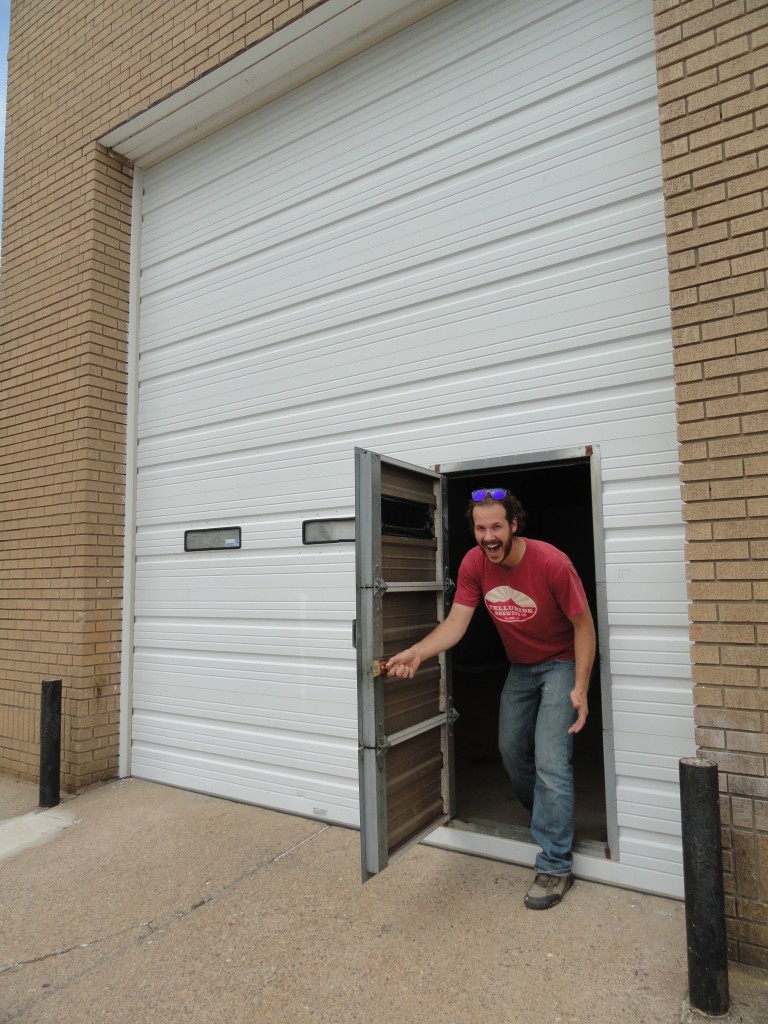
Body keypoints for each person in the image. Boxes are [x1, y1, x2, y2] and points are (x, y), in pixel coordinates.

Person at [386, 487, 596, 910]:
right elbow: (457, 623)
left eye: (496, 526)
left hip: (560, 662)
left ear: (513, 525)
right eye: (480, 528)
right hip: (520, 667)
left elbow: (584, 626)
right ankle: (547, 814)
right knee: (510, 750)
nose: (487, 536)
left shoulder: (552, 563)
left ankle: (555, 864)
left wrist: (581, 684)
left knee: (552, 761)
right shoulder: (473, 564)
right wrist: (418, 652)